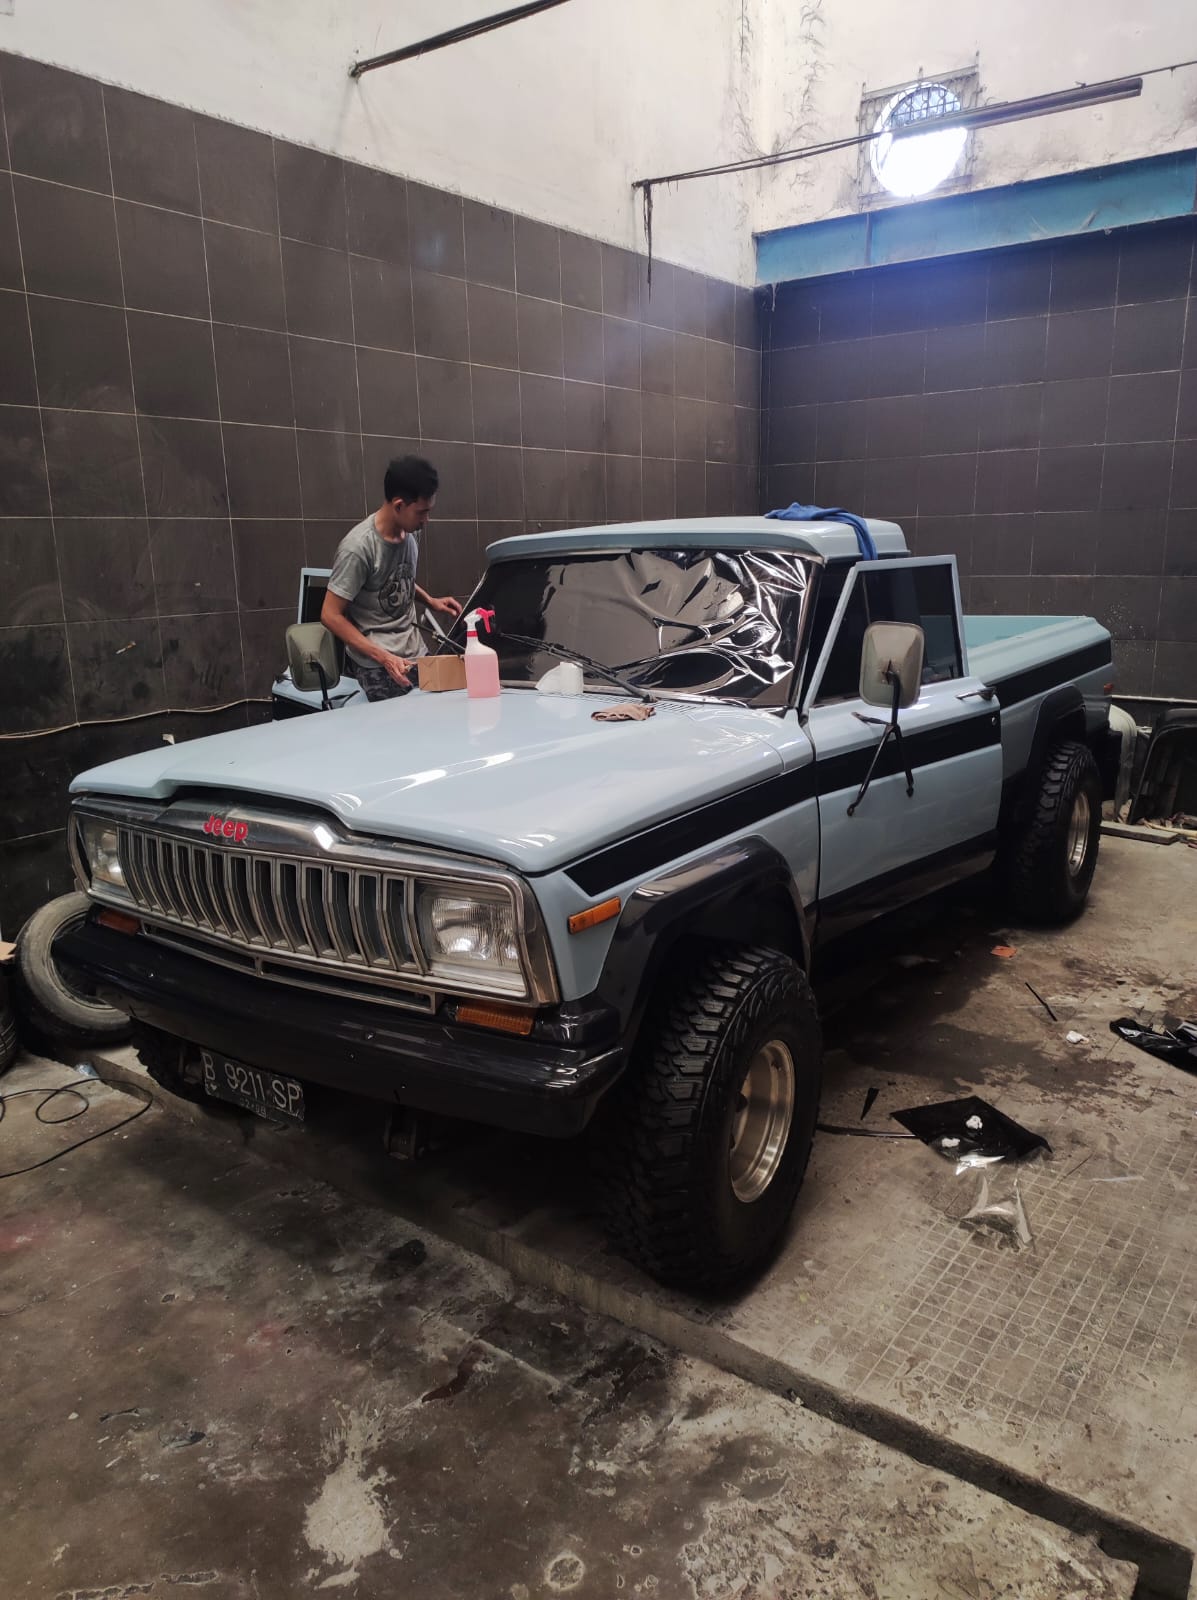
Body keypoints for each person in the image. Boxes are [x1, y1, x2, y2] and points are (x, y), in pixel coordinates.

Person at [321, 456, 462, 701]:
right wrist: (384, 657)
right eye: (422, 512)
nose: (426, 520)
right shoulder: (358, 548)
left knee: (449, 706)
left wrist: (430, 601)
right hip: (376, 663)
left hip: (413, 651)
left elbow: (396, 578)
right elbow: (330, 615)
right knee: (403, 720)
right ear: (399, 505)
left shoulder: (410, 532)